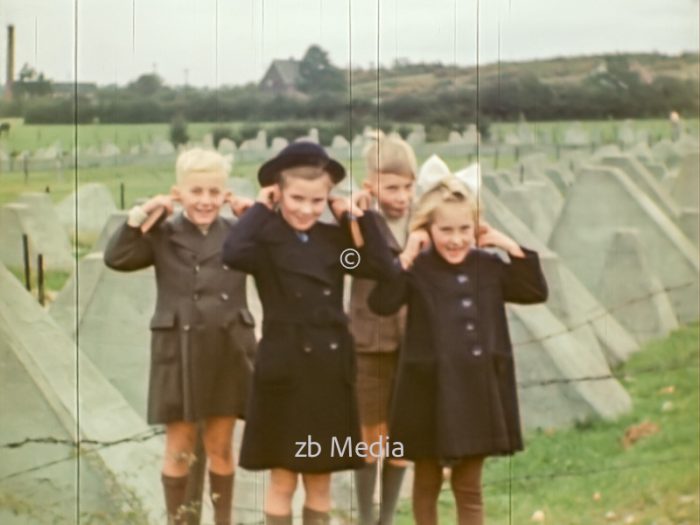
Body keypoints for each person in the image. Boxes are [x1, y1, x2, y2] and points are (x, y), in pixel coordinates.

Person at [222, 141, 399, 525]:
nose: (306, 209)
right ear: (278, 193)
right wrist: (258, 208)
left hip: (328, 370)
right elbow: (233, 252)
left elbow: (381, 267)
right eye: (296, 198)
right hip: (283, 369)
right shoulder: (265, 241)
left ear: (328, 199)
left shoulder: (335, 245)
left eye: (317, 201)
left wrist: (356, 218)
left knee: (320, 480)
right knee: (283, 479)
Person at [368, 176, 548, 525]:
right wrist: (406, 254)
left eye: (465, 229)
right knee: (427, 480)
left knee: (469, 486)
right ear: (427, 229)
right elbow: (382, 302)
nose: (456, 239)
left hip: (477, 390)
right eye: (445, 230)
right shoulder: (418, 269)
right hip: (428, 391)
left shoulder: (490, 267)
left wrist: (506, 244)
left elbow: (534, 291)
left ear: (476, 226)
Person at [104, 148, 255, 525]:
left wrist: (258, 219)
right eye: (196, 192)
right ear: (179, 193)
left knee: (220, 446)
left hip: (228, 348)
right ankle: (180, 520)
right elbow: (117, 257)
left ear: (226, 194)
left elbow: (276, 256)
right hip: (179, 349)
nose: (206, 201)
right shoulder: (163, 233)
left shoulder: (240, 234)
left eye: (214, 192)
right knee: (179, 447)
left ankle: (223, 520)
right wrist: (141, 215)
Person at [349, 132, 416, 525]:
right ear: (371, 186)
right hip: (370, 341)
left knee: (401, 436)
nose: (402, 196)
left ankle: (387, 517)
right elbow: (348, 262)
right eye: (392, 187)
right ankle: (365, 515)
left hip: (412, 343)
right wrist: (357, 226)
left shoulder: (420, 222)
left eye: (408, 186)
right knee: (369, 434)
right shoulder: (358, 225)